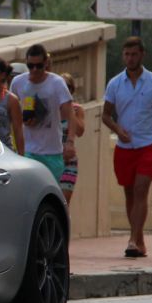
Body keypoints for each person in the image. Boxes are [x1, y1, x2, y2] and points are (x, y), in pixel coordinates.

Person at [101, 36, 152, 258]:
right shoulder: (115, 83)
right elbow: (105, 115)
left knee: (142, 189)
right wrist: (117, 129)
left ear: (142, 55)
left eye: (134, 54)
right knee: (130, 193)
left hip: (148, 145)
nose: (130, 58)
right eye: (126, 54)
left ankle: (132, 239)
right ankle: (139, 240)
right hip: (124, 147)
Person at [9, 43, 73, 182]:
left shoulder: (57, 83)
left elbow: (69, 114)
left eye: (39, 66)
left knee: (51, 195)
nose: (35, 70)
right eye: (31, 66)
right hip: (28, 151)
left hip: (52, 152)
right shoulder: (18, 82)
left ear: (46, 63)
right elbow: (11, 112)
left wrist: (70, 142)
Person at [57, 72, 87, 205]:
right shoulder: (51, 107)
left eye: (67, 86)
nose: (64, 89)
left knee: (64, 202)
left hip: (68, 161)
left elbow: (80, 131)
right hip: (51, 157)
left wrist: (70, 111)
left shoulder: (77, 109)